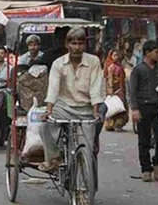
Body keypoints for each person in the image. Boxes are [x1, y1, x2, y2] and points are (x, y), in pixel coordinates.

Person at [39, 28, 103, 173]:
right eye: (73, 43)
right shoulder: (58, 63)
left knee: (88, 147)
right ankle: (54, 158)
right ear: (67, 44)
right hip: (64, 107)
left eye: (80, 43)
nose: (77, 47)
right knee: (44, 126)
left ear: (85, 45)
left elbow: (95, 88)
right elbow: (53, 89)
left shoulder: (94, 61)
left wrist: (95, 112)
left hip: (87, 108)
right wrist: (48, 110)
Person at [129, 40, 158, 183]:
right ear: (147, 53)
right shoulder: (138, 70)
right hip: (143, 106)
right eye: (156, 52)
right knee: (144, 139)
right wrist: (134, 109)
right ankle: (146, 169)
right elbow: (132, 91)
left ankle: (157, 162)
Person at [104, 49, 128, 131]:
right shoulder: (111, 67)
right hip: (115, 90)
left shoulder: (119, 66)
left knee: (119, 106)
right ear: (111, 56)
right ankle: (112, 125)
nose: (116, 57)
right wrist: (110, 89)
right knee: (115, 107)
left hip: (120, 89)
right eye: (114, 55)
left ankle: (117, 125)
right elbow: (110, 78)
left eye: (117, 55)